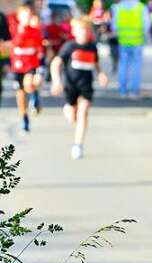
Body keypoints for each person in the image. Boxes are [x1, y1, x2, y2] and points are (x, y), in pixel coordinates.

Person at [51, 17, 107, 159]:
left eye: (86, 30)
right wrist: (56, 81)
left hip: (86, 87)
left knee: (83, 112)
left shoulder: (92, 47)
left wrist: (101, 74)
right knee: (73, 118)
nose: (84, 33)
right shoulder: (69, 46)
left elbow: (96, 63)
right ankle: (68, 107)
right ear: (74, 31)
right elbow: (55, 63)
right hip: (71, 86)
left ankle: (78, 145)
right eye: (80, 30)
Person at [9, 2, 44, 133]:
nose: (28, 18)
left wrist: (41, 58)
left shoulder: (35, 31)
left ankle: (34, 96)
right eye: (25, 15)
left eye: (30, 15)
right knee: (20, 94)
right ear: (19, 16)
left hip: (30, 63)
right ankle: (24, 118)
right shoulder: (13, 29)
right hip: (17, 65)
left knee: (29, 84)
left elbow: (40, 48)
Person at [111, 0, 148, 99]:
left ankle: (122, 90)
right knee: (136, 67)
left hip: (123, 41)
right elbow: (146, 26)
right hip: (137, 41)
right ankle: (134, 91)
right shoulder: (141, 7)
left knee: (123, 65)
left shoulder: (118, 7)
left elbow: (114, 26)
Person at [90, 0, 118, 74]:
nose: (98, 5)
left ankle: (115, 64)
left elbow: (107, 19)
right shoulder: (93, 10)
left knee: (114, 51)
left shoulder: (106, 10)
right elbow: (90, 18)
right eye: (96, 3)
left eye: (99, 3)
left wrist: (103, 24)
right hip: (97, 33)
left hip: (111, 33)